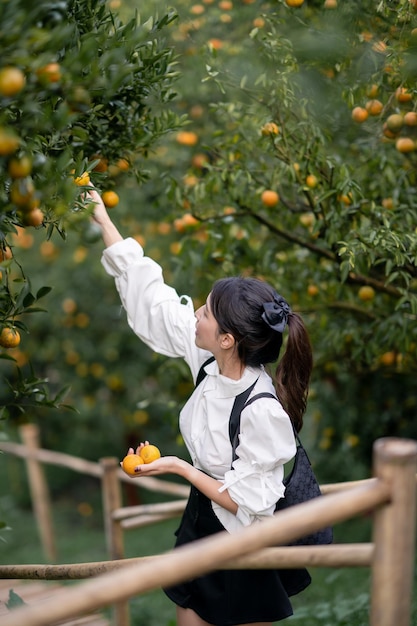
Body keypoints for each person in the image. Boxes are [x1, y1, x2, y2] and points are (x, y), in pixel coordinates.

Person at [90, 188, 314, 626]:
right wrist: (103, 220)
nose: (195, 314)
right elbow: (154, 302)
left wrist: (178, 466)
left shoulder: (261, 410)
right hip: (200, 524)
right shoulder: (210, 359)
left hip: (241, 540)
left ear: (228, 338)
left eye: (206, 312)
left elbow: (250, 505)